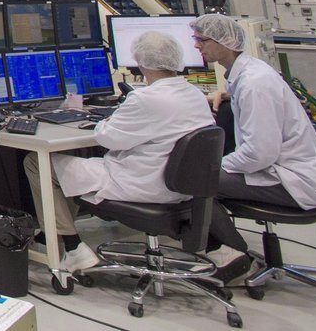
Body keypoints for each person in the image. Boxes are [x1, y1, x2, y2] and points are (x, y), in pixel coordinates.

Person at [23, 30, 212, 273]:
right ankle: (52, 235)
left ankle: (72, 246)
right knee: (67, 167)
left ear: (141, 61)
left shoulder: (144, 99)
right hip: (183, 188)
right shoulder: (195, 94)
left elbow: (107, 138)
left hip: (142, 185)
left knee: (37, 162)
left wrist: (106, 120)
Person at [192, 13, 316, 282]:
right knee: (204, 175)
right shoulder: (248, 73)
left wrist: (216, 166)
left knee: (196, 179)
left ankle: (235, 255)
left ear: (224, 42)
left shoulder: (253, 84)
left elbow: (259, 154)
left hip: (294, 182)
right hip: (290, 171)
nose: (196, 45)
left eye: (202, 40)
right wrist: (223, 93)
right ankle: (226, 251)